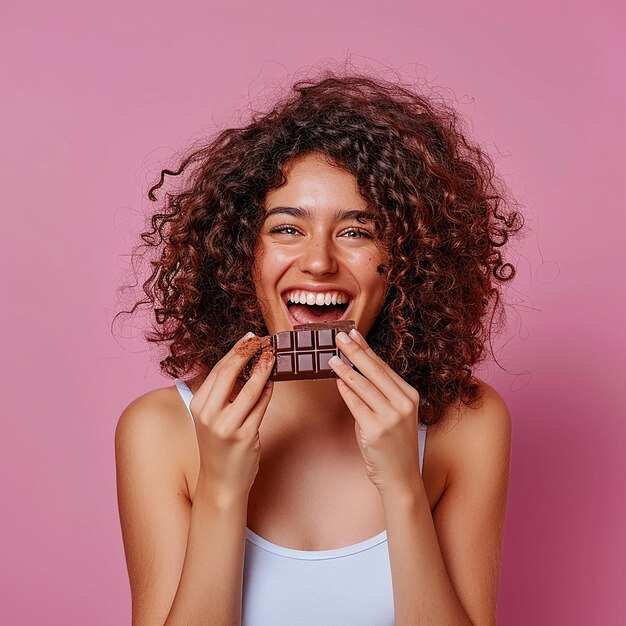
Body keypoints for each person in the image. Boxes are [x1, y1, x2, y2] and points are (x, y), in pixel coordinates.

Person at [114, 70, 523, 625]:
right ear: (243, 255)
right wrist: (221, 490)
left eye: (357, 231)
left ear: (405, 261)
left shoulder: (467, 422)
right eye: (287, 229)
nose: (319, 261)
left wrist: (402, 483)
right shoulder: (161, 431)